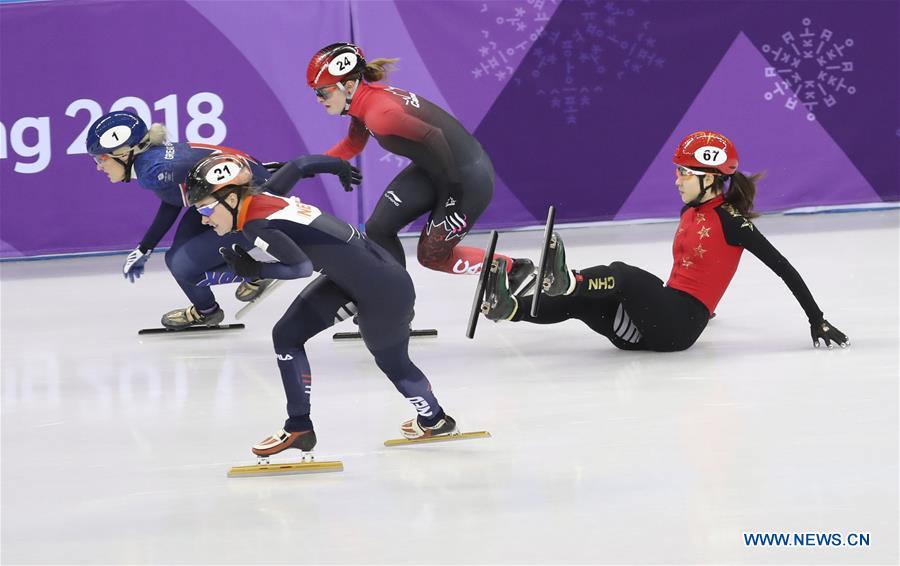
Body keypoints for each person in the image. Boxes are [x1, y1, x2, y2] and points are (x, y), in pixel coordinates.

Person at [184, 152, 458, 456]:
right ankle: (299, 427)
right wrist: (338, 165)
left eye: (206, 208)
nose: (204, 218)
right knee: (286, 336)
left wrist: (255, 270)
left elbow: (299, 267)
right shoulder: (263, 195)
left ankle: (435, 419)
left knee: (394, 365)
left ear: (232, 200)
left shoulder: (255, 224)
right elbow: (299, 165)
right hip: (353, 279)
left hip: (386, 291)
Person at [481, 130, 850, 351]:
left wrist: (816, 320)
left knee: (624, 275)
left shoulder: (731, 221)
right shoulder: (690, 212)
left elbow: (783, 268)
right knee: (582, 301)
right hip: (646, 329)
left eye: (684, 174)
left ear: (710, 178)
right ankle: (510, 309)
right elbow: (703, 268)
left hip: (679, 325)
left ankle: (568, 278)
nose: (677, 181)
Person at [86, 111, 358, 329]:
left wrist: (267, 177)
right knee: (177, 259)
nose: (98, 167)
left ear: (124, 153)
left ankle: (258, 269)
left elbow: (181, 189)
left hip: (244, 201)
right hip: (229, 192)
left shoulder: (154, 171)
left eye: (100, 159)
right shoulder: (153, 163)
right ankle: (211, 308)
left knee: (182, 265)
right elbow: (172, 201)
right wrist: (144, 247)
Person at [308, 42, 534, 293]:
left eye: (323, 92)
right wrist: (299, 167)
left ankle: (514, 269)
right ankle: (395, 306)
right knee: (378, 229)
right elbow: (352, 145)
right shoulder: (362, 105)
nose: (318, 99)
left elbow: (433, 135)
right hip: (434, 170)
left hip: (465, 179)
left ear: (348, 86)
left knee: (432, 256)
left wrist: (454, 190)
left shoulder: (379, 114)